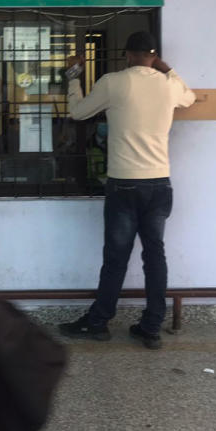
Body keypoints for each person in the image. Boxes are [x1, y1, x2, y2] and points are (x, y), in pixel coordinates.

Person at [59, 31, 195, 349]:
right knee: (155, 256)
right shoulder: (169, 84)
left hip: (125, 184)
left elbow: (78, 112)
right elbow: (189, 97)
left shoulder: (114, 82)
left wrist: (72, 77)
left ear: (127, 54)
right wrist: (167, 69)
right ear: (154, 56)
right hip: (160, 184)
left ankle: (98, 322)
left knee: (116, 259)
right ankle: (151, 327)